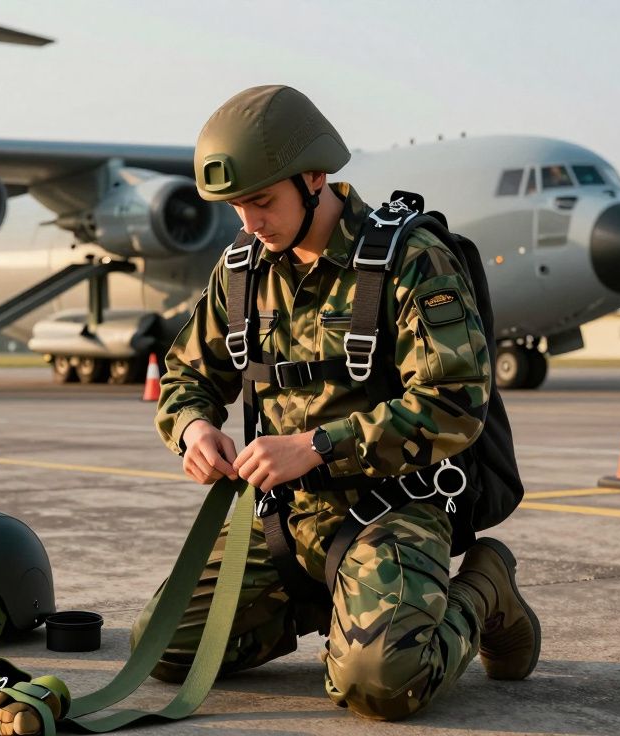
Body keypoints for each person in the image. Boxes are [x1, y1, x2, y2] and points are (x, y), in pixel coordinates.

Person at [133, 85, 539, 722]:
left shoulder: (412, 259)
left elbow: (455, 403)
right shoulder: (241, 270)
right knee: (162, 648)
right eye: (236, 206)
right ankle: (348, 608)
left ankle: (486, 587)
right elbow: (187, 372)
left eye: (262, 201)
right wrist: (193, 429)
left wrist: (318, 446)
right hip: (283, 518)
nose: (249, 223)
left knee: (381, 685)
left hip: (393, 510)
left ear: (315, 178)